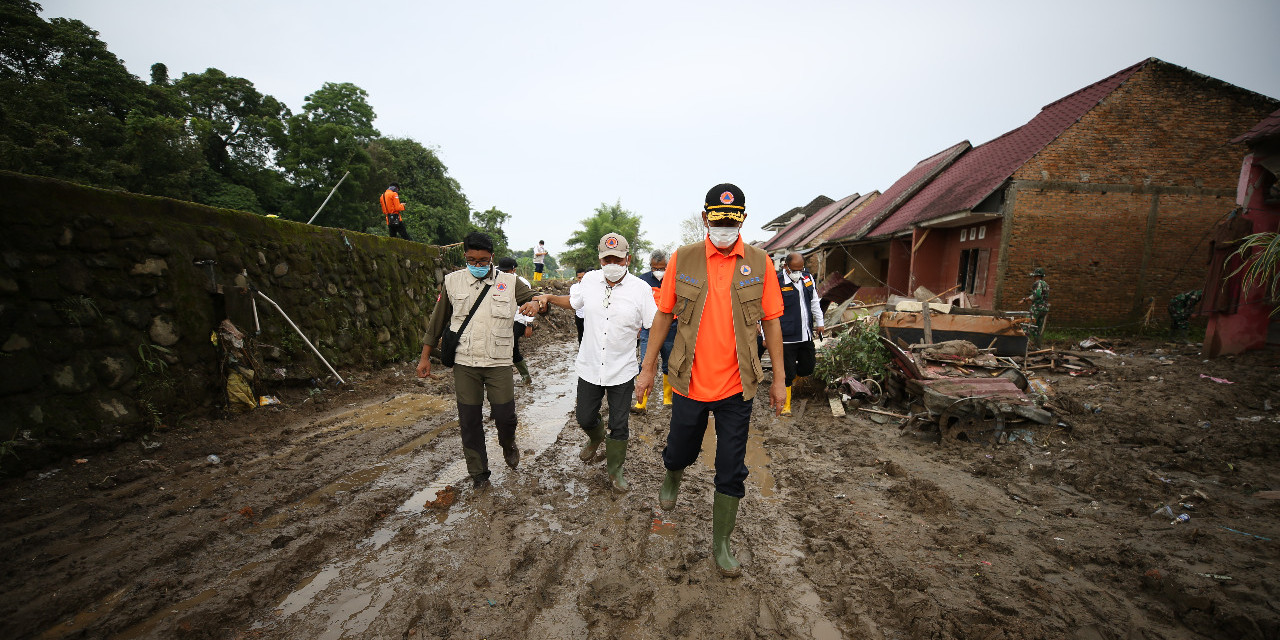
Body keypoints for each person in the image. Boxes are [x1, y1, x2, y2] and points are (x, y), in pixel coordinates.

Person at [635, 183, 786, 578]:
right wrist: (648, 368)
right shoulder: (682, 259)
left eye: (731, 222)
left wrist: (779, 378)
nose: (723, 228)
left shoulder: (760, 261)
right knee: (680, 446)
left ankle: (721, 543)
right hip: (689, 381)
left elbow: (771, 319)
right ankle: (673, 475)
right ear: (705, 218)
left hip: (738, 385)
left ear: (743, 221)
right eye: (717, 221)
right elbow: (664, 315)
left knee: (730, 466)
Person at [531, 233, 656, 494]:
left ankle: (615, 471)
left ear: (627, 259)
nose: (611, 263)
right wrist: (549, 298)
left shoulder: (640, 289)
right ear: (599, 259)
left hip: (622, 369)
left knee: (619, 424)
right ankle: (596, 436)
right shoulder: (588, 280)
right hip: (589, 366)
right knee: (585, 417)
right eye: (606, 258)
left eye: (616, 259)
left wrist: (649, 367)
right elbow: (574, 302)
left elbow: (653, 326)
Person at [417, 231, 536, 490]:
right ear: (465, 257)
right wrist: (425, 357)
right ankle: (479, 475)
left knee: (505, 417)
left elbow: (535, 297)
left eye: (483, 261)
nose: (478, 265)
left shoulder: (510, 282)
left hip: (499, 362)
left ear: (491, 257)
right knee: (469, 421)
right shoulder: (452, 282)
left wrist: (536, 305)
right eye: (472, 260)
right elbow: (437, 322)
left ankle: (508, 443)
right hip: (465, 363)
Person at [776, 252, 824, 417]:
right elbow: (767, 309)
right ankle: (786, 405)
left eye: (800, 269)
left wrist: (820, 323)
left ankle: (785, 383)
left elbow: (814, 301)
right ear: (785, 267)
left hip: (806, 333)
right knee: (788, 372)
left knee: (807, 367)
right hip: (787, 335)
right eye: (794, 269)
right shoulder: (777, 282)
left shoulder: (807, 278)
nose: (798, 272)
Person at [633, 250, 676, 413]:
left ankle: (668, 399)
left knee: (669, 363)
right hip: (647, 328)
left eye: (662, 268)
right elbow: (636, 305)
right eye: (654, 268)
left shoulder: (674, 279)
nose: (658, 271)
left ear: (668, 266)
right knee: (645, 363)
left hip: (671, 327)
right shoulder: (642, 281)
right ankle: (641, 403)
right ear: (650, 266)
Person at [498, 257, 535, 384]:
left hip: (518, 319)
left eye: (507, 271)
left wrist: (529, 324)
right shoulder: (497, 280)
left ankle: (525, 376)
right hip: (502, 320)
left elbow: (531, 303)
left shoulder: (521, 282)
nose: (504, 274)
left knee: (511, 346)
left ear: (514, 270)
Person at [1022, 267, 1050, 348]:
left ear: (1036, 276)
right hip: (1044, 309)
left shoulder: (1038, 283)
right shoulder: (1046, 285)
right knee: (1037, 328)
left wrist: (1026, 299)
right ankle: (1038, 347)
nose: (1033, 278)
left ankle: (1023, 347)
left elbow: (1037, 294)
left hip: (1037, 308)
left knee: (1027, 325)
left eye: (1034, 276)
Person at [571, 266, 587, 344]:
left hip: (590, 316)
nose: (581, 280)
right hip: (579, 315)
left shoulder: (592, 287)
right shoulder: (574, 287)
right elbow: (574, 300)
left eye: (583, 277)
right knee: (581, 336)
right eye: (579, 278)